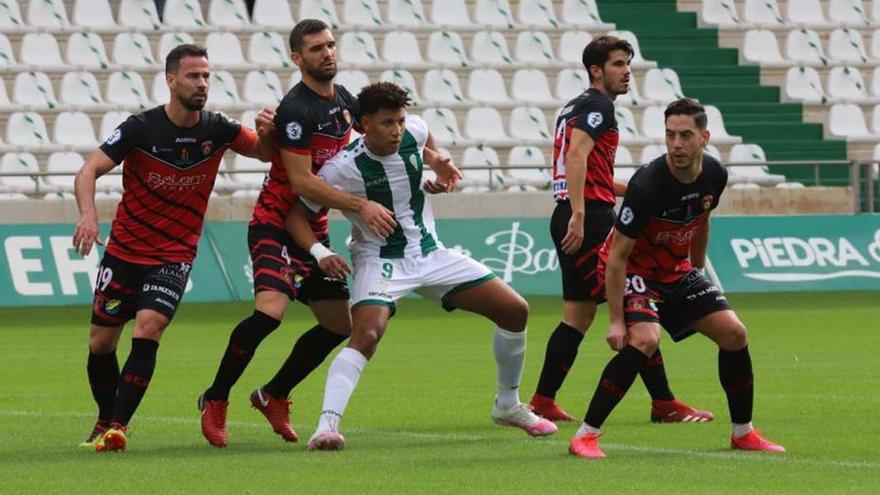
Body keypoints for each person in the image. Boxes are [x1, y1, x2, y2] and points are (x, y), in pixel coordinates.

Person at [197, 20, 456, 448]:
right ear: (297, 59)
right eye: (317, 48)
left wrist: (434, 156)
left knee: (339, 325)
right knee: (270, 311)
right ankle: (216, 397)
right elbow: (302, 184)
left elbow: (383, 134)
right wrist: (359, 205)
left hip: (313, 225)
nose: (328, 53)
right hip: (277, 225)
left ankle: (273, 394)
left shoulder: (346, 101)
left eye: (331, 45)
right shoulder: (296, 110)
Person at [284, 82, 557, 451]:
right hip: (380, 261)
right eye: (386, 123)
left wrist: (439, 167)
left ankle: (507, 405)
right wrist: (320, 253)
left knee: (515, 310)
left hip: (431, 254)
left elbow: (427, 150)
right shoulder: (341, 170)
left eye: (399, 120)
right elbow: (296, 218)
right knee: (366, 335)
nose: (397, 130)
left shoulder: (414, 130)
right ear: (365, 124)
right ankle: (326, 427)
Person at [72, 44, 275, 452]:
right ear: (170, 80)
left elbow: (265, 153)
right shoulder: (139, 129)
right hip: (124, 252)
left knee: (149, 327)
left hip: (174, 256)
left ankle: (118, 427)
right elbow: (89, 169)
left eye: (206, 76)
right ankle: (104, 415)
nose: (202, 84)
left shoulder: (219, 129)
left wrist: (268, 131)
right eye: (193, 76)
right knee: (101, 343)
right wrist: (89, 215)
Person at [568, 98, 785, 459]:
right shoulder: (648, 184)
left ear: (705, 137)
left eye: (685, 135)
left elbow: (702, 217)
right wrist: (616, 321)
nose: (676, 144)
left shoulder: (715, 174)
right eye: (670, 135)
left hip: (676, 271)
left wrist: (697, 267)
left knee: (734, 334)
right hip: (634, 271)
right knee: (644, 339)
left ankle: (743, 433)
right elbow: (618, 256)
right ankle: (585, 435)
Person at [530, 35, 712, 425]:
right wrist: (580, 215)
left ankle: (543, 399)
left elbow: (589, 169)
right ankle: (664, 402)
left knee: (577, 316)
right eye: (617, 64)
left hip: (570, 211)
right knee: (634, 305)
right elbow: (577, 155)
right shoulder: (598, 106)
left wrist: (639, 192)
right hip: (588, 218)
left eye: (628, 63)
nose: (626, 71)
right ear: (596, 70)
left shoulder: (574, 105)